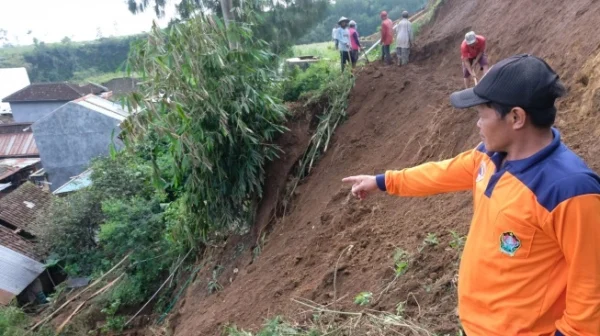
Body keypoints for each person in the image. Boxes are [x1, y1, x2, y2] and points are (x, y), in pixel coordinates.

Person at [343, 54, 600, 335]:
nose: (477, 124)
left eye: (482, 115)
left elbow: (591, 290)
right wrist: (383, 181)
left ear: (516, 117)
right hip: (477, 325)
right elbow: (441, 173)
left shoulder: (569, 191)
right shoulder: (489, 157)